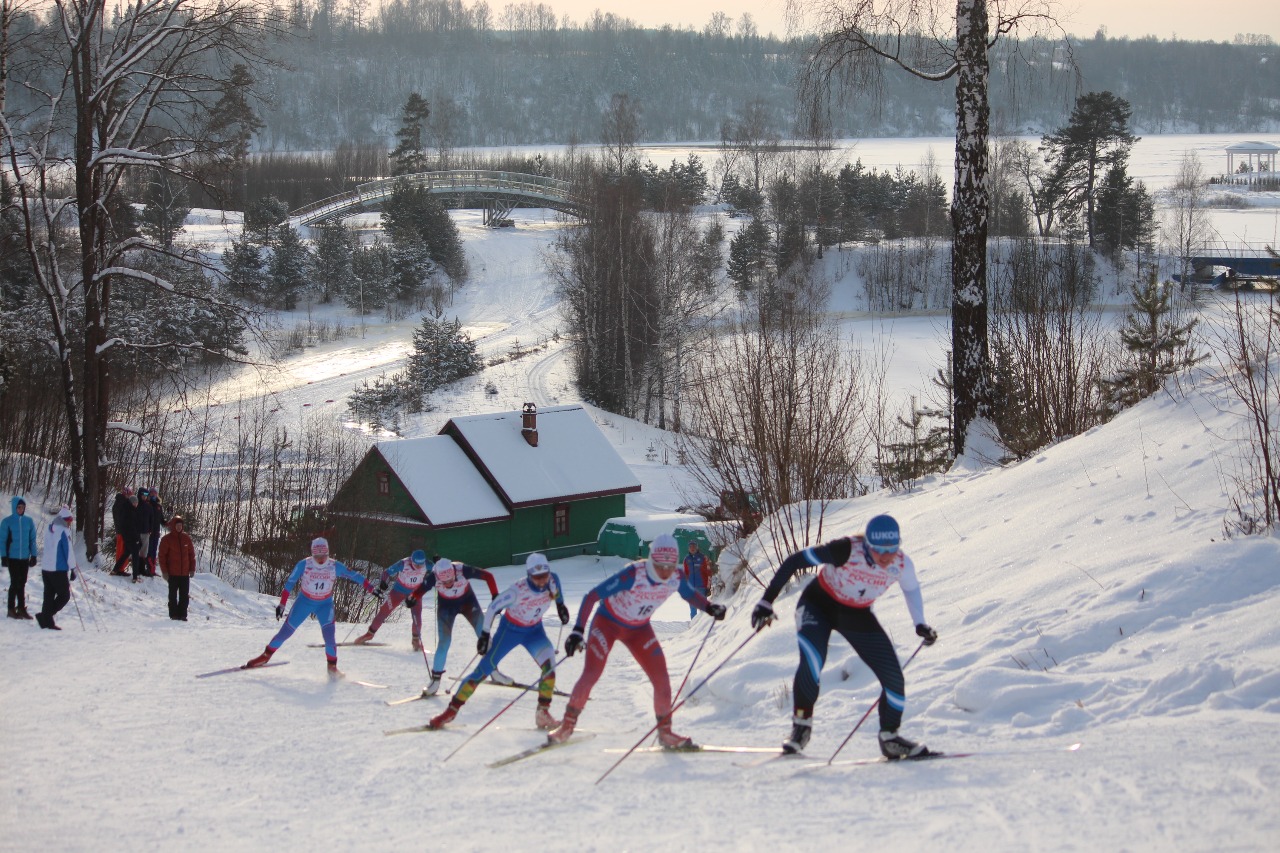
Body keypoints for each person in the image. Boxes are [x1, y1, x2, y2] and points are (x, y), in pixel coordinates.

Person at [749, 514, 938, 758]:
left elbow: (911, 588)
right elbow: (795, 561)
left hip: (856, 615)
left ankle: (890, 737)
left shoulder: (901, 564)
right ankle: (801, 726)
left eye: (891, 549)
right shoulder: (846, 550)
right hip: (818, 605)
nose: (885, 556)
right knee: (813, 660)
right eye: (879, 550)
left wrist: (920, 623)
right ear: (867, 544)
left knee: (893, 677)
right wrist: (767, 601)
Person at [548, 533, 727, 748]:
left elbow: (689, 595)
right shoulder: (634, 573)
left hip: (638, 629)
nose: (665, 571)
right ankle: (566, 726)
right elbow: (592, 596)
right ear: (651, 560)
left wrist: (709, 607)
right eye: (660, 565)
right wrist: (577, 631)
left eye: (670, 565)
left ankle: (666, 733)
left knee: (662, 678)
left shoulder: (676, 576)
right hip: (607, 624)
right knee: (592, 674)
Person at [427, 553, 571, 731]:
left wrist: (561, 606)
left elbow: (557, 593)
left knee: (549, 666)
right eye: (537, 577)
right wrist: (485, 635)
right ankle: (449, 712)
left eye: (544, 576)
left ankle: (543, 713)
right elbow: (494, 607)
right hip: (510, 631)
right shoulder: (517, 590)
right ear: (529, 575)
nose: (542, 581)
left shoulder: (552, 580)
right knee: (482, 671)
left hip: (535, 631)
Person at [244, 537, 383, 676]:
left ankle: (332, 667)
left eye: (324, 555)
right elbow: (289, 583)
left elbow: (355, 576)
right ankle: (266, 656)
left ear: (328, 553)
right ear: (312, 553)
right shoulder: (304, 564)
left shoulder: (334, 566)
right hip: (304, 602)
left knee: (329, 637)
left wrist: (372, 589)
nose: (321, 559)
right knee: (286, 632)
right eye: (317, 556)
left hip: (325, 604)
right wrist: (282, 604)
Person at [405, 557, 510, 696]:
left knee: (483, 634)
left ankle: (494, 672)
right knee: (444, 642)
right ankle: (435, 682)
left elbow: (488, 576)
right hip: (446, 608)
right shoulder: (433, 576)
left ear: (454, 573)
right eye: (445, 582)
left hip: (468, 602)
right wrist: (412, 598)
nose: (448, 584)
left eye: (450, 580)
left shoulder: (462, 570)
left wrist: (495, 596)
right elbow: (420, 590)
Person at [353, 549, 431, 649]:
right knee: (384, 611)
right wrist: (384, 582)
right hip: (398, 591)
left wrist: (439, 563)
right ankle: (369, 634)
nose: (419, 567)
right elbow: (387, 572)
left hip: (415, 593)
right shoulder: (403, 563)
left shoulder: (427, 564)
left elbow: (439, 570)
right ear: (412, 560)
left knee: (417, 615)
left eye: (421, 565)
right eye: (416, 564)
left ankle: (415, 640)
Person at [37, 506, 78, 630]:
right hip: (58, 569)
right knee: (64, 595)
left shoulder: (50, 529)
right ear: (64, 520)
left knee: (48, 595)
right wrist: (73, 568)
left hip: (46, 568)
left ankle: (46, 621)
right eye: (69, 520)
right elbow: (68, 551)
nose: (70, 523)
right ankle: (45, 616)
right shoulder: (64, 531)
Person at [2, 496, 39, 619]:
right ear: (14, 507)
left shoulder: (29, 521)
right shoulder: (7, 522)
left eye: (23, 507)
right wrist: (3, 556)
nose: (21, 509)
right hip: (12, 557)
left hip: (24, 557)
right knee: (15, 582)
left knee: (22, 582)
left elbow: (32, 539)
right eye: (18, 507)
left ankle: (22, 608)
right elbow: (2, 540)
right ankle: (11, 609)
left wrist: (33, 555)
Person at [157, 514, 196, 621]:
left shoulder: (186, 538)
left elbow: (191, 555)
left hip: (184, 573)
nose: (179, 527)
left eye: (180, 525)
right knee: (172, 596)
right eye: (177, 525)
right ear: (173, 526)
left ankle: (182, 614)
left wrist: (192, 569)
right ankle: (173, 614)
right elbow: (162, 556)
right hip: (172, 573)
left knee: (184, 596)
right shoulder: (166, 539)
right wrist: (164, 572)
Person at [109, 487, 139, 576]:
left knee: (124, 550)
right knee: (121, 550)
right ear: (125, 494)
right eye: (129, 495)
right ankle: (119, 569)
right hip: (121, 531)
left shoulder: (123, 503)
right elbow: (120, 519)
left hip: (123, 531)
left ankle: (120, 568)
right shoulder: (120, 503)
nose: (129, 497)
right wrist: (123, 530)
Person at [681, 539, 714, 619]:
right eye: (691, 546)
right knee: (693, 610)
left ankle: (704, 627)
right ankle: (693, 628)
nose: (692, 548)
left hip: (702, 588)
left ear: (697, 547)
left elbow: (708, 573)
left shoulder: (703, 558)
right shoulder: (686, 559)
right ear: (688, 548)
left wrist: (708, 587)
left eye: (694, 546)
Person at [133, 487, 157, 580]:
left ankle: (142, 569)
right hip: (137, 532)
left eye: (147, 495)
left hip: (146, 532)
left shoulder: (148, 506)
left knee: (144, 552)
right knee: (136, 551)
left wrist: (150, 529)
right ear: (140, 494)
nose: (145, 497)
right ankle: (136, 569)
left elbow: (152, 519)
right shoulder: (136, 505)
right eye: (143, 495)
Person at [145, 489, 167, 576]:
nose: (153, 495)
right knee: (148, 551)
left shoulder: (159, 506)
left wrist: (167, 522)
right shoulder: (147, 504)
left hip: (156, 532)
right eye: (151, 493)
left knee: (154, 551)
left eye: (155, 493)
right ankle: (147, 569)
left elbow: (161, 519)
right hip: (148, 532)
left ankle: (152, 570)